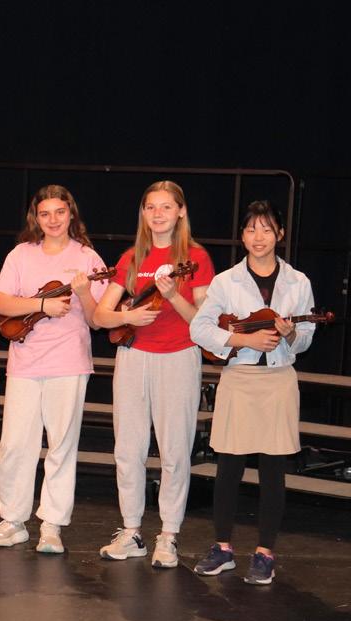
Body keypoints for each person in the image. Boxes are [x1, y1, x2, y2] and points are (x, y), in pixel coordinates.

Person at [190, 201, 316, 585]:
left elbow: (307, 337)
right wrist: (244, 339)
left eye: (266, 229)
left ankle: (265, 553)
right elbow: (200, 328)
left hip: (278, 381)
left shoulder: (299, 281)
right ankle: (222, 548)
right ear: (242, 236)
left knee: (273, 470)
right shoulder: (226, 281)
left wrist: (290, 334)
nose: (258, 237)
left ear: (280, 234)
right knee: (228, 467)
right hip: (239, 379)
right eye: (251, 229)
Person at [91, 181, 214, 568]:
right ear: (143, 213)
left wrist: (173, 295)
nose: (158, 214)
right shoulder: (132, 257)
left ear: (181, 211)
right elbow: (100, 316)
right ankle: (131, 531)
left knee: (175, 450)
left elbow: (204, 322)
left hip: (178, 357)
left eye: (166, 207)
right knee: (128, 449)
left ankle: (169, 534)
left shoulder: (196, 257)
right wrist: (128, 315)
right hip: (133, 357)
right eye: (151, 207)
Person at [0, 184, 106, 554]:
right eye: (45, 213)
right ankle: (13, 520)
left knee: (61, 445)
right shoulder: (21, 254)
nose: (52, 220)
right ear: (35, 218)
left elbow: (97, 320)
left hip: (68, 362)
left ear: (71, 214)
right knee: (14, 444)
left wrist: (83, 293)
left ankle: (52, 525)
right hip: (25, 361)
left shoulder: (87, 257)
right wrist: (41, 305)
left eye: (59, 212)